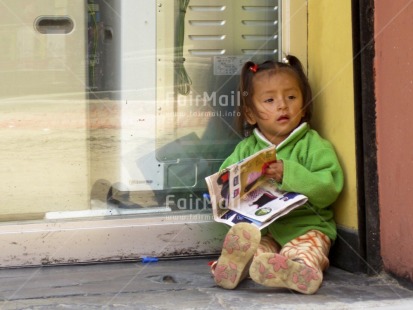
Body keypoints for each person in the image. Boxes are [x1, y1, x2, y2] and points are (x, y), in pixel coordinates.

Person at [210, 55, 344, 294]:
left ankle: (298, 271)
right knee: (254, 249)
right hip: (264, 230)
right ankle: (235, 268)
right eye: (270, 100)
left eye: (291, 97)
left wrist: (290, 173)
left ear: (303, 106)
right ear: (250, 114)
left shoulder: (313, 145)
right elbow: (226, 183)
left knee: (305, 250)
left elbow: (329, 188)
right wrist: (221, 195)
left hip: (307, 228)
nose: (283, 105)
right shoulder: (246, 149)